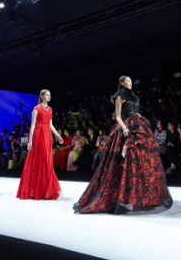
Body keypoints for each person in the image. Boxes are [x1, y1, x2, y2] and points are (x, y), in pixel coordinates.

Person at [74, 76, 172, 214]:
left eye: (131, 81)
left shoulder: (132, 95)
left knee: (145, 158)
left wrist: (137, 114)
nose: (130, 83)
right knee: (125, 159)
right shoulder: (119, 96)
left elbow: (133, 110)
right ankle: (123, 197)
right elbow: (118, 116)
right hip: (126, 127)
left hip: (138, 124)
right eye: (128, 81)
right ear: (122, 83)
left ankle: (147, 195)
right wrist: (125, 127)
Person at [17, 89, 63, 200]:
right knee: (40, 158)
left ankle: (45, 189)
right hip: (39, 134)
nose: (49, 96)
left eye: (49, 95)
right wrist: (30, 141)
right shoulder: (36, 108)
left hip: (47, 135)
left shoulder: (50, 109)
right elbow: (32, 125)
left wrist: (58, 136)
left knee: (47, 160)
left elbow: (50, 125)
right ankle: (38, 189)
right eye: (46, 95)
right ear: (41, 96)